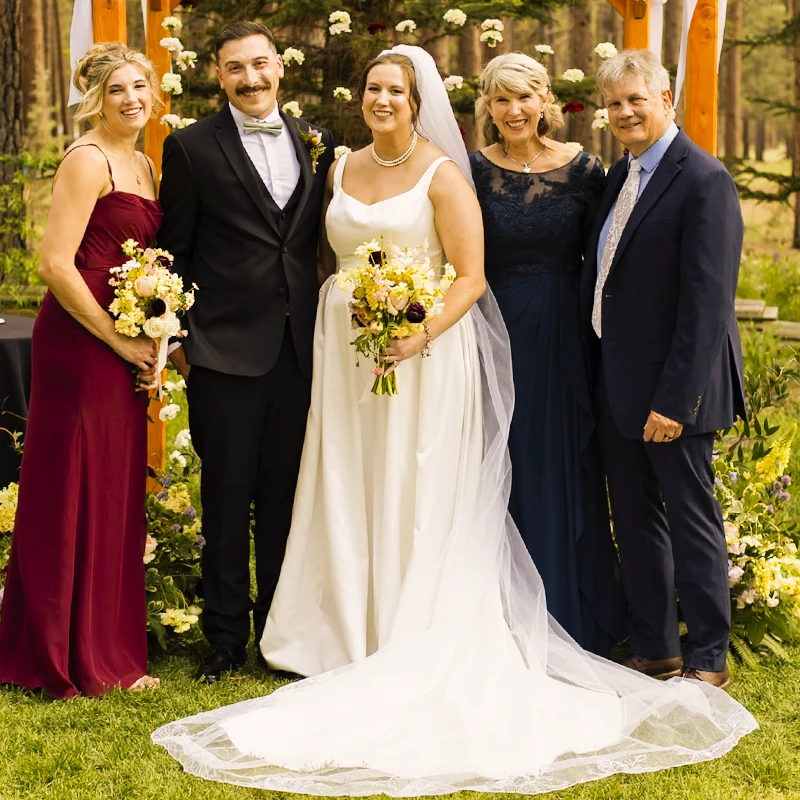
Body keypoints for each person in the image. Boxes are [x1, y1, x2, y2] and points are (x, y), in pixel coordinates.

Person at [152, 46, 757, 795]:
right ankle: (646, 646)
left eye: (395, 90)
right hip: (362, 356)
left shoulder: (649, 176)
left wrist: (416, 330)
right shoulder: (352, 164)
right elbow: (306, 256)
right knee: (366, 486)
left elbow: (685, 294)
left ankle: (699, 654)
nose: (382, 99)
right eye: (373, 88)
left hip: (495, 351)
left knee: (591, 493)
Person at [157, 21, 335, 684]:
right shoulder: (191, 147)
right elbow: (172, 250)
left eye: (260, 65)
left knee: (288, 500)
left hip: (299, 351)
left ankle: (281, 636)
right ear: (219, 77)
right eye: (237, 69)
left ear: (279, 67)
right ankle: (224, 640)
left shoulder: (316, 142)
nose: (251, 79)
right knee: (228, 501)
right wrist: (179, 340)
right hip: (223, 351)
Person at [0, 42, 162, 698]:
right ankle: (58, 652)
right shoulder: (87, 159)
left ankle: (113, 646)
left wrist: (154, 333)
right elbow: (55, 264)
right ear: (95, 98)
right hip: (79, 338)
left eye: (139, 88)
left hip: (125, 333)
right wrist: (116, 341)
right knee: (72, 485)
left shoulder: (146, 164)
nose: (130, 100)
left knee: (114, 488)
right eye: (116, 90)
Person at [582, 50, 746, 689]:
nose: (625, 113)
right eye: (615, 103)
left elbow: (707, 305)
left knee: (690, 518)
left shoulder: (704, 180)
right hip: (617, 384)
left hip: (676, 392)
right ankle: (655, 648)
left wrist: (675, 402)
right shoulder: (619, 177)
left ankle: (708, 655)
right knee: (635, 518)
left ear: (666, 99)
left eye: (636, 101)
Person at [470, 52, 619, 655]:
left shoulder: (586, 170)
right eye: (501, 99)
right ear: (487, 106)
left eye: (524, 97)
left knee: (564, 460)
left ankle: (570, 608)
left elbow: (609, 257)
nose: (513, 111)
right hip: (493, 329)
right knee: (501, 460)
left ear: (545, 101)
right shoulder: (471, 172)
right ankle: (499, 609)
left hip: (564, 332)